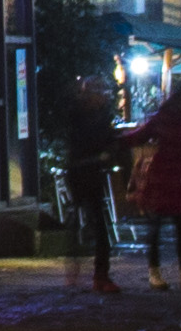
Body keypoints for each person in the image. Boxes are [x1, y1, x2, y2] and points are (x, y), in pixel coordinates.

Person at [51, 62, 127, 287]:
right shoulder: (80, 115)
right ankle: (90, 272)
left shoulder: (95, 114)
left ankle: (97, 273)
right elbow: (88, 139)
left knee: (93, 221)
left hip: (90, 170)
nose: (104, 97)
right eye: (101, 93)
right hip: (83, 170)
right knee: (88, 221)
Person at [128, 80, 181, 288]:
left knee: (176, 226)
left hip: (175, 176)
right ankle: (162, 274)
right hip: (164, 176)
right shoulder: (171, 119)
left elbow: (140, 137)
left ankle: (177, 276)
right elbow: (140, 136)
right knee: (162, 226)